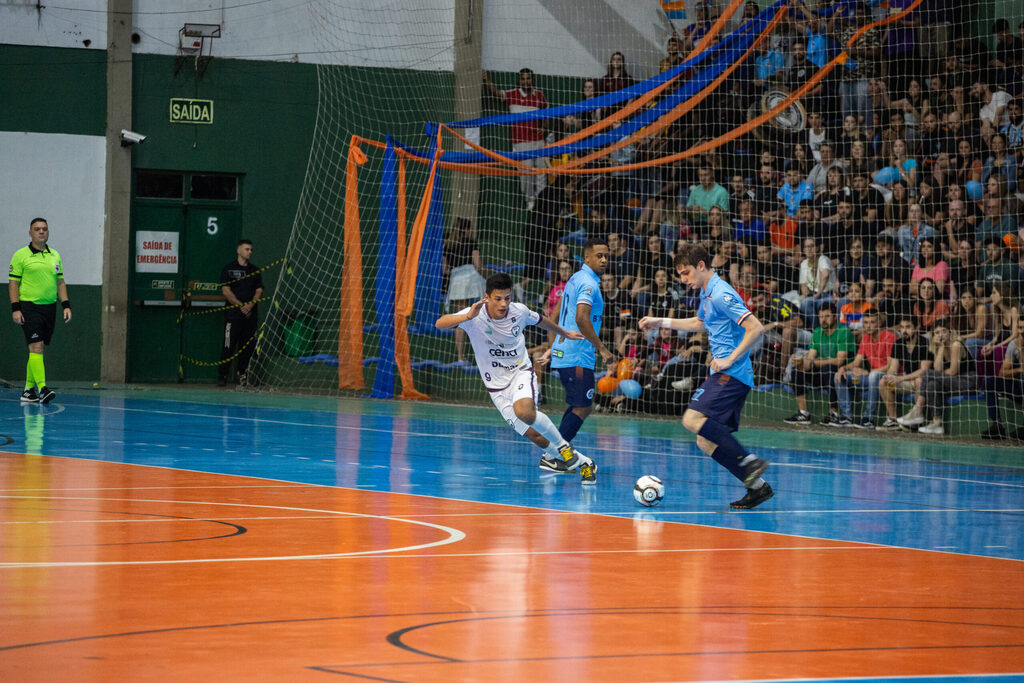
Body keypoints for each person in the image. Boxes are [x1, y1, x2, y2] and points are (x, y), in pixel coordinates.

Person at [638, 243, 772, 509]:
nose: (684, 280)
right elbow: (700, 323)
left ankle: (749, 460)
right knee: (704, 440)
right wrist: (659, 321)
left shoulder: (721, 294)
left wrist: (730, 359)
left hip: (731, 373)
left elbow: (755, 327)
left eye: (686, 273)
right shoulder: (707, 293)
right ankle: (757, 488)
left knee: (691, 419)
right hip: (723, 373)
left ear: (701, 266)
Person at [434, 273, 596, 482]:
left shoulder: (519, 311)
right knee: (534, 435)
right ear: (487, 297)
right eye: (498, 298)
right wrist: (467, 317)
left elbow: (541, 321)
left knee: (525, 412)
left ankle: (564, 446)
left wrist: (564, 333)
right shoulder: (474, 315)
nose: (503, 304)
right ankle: (584, 463)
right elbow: (440, 323)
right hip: (496, 388)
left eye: (507, 298)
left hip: (521, 372)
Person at [550, 238, 616, 451]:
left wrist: (554, 346)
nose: (604, 259)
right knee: (583, 407)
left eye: (606, 255)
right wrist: (603, 350)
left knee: (581, 406)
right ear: (586, 257)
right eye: (599, 256)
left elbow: (556, 312)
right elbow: (581, 318)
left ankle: (556, 449)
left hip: (569, 352)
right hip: (576, 354)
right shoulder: (587, 283)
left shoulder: (575, 278)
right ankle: (555, 454)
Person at [9, 217, 70, 404]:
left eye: (44, 229)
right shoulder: (20, 255)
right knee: (36, 346)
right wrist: (16, 308)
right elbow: (13, 284)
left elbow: (60, 282)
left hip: (49, 308)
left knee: (36, 350)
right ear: (30, 233)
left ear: (48, 232)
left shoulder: (55, 255)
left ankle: (28, 391)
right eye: (37, 229)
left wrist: (65, 304)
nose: (41, 231)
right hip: (29, 307)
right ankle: (42, 389)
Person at [483, 68, 549, 209]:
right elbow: (496, 93)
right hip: (521, 143)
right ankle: (530, 201)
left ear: (532, 79)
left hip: (538, 141)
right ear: (520, 80)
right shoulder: (512, 94)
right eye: (523, 79)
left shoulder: (539, 95)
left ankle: (542, 201)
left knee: (542, 172)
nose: (526, 81)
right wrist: (486, 79)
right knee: (526, 173)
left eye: (528, 78)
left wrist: (543, 127)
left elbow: (547, 111)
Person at [783, 302, 856, 426]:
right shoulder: (817, 332)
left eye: (827, 316)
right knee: (797, 371)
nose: (823, 320)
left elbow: (839, 361)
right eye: (821, 317)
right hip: (821, 372)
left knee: (830, 369)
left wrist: (813, 362)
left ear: (835, 316)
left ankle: (834, 414)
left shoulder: (844, 332)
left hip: (842, 374)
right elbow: (811, 356)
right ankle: (803, 413)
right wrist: (803, 363)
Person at [899, 325, 975, 435]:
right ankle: (937, 423)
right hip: (951, 382)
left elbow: (953, 371)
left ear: (950, 332)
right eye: (937, 333)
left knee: (928, 374)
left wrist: (936, 374)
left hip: (967, 381)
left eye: (944, 331)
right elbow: (938, 369)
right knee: (932, 384)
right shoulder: (940, 347)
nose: (941, 335)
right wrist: (940, 348)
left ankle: (918, 410)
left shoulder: (956, 344)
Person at [834, 310, 897, 429]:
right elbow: (856, 362)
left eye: (872, 322)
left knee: (873, 376)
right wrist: (843, 368)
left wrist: (868, 372)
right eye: (866, 323)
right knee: (839, 376)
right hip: (871, 377)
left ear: (879, 323)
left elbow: (889, 366)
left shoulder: (889, 337)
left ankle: (869, 418)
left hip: (886, 377)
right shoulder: (865, 338)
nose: (868, 326)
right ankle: (847, 416)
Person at [218, 239, 264, 387]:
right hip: (233, 315)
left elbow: (259, 290)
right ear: (239, 250)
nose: (249, 252)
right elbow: (226, 291)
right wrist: (240, 306)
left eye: (251, 250)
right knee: (228, 345)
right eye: (246, 249)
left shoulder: (255, 270)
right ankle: (223, 375)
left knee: (247, 347)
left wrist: (250, 305)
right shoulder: (228, 269)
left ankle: (243, 374)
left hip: (250, 316)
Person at [878, 317, 934, 430]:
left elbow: (924, 370)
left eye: (908, 327)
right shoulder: (898, 344)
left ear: (917, 328)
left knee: (919, 380)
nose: (904, 331)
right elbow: (893, 367)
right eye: (902, 327)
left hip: (924, 383)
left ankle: (915, 420)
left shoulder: (925, 343)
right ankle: (892, 420)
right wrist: (890, 375)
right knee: (883, 382)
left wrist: (901, 378)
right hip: (907, 382)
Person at [443, 218, 485, 365]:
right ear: (467, 230)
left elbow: (445, 269)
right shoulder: (471, 242)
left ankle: (460, 357)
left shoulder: (448, 244)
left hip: (456, 281)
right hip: (470, 279)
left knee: (460, 320)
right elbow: (478, 265)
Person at [980, 316, 1024, 440]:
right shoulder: (1013, 344)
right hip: (1019, 389)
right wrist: (1018, 370)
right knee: (990, 382)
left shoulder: (1019, 345)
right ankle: (997, 425)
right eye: (1019, 328)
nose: (1021, 332)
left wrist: (1022, 350)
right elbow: (1002, 373)